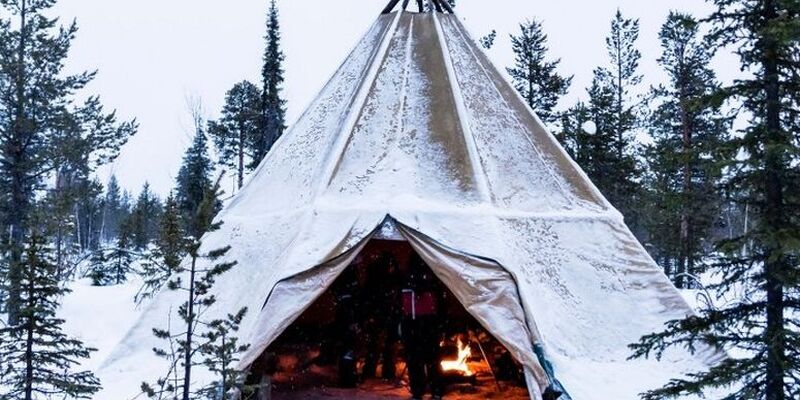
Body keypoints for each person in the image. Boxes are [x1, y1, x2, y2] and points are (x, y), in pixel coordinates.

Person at [400, 255, 445, 400]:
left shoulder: (426, 281)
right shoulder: (429, 280)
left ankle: (425, 390)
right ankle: (430, 390)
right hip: (421, 324)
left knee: (422, 360)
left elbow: (440, 304)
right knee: (425, 360)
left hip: (421, 324)